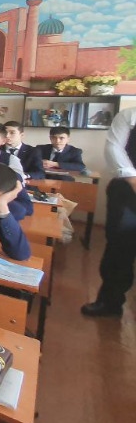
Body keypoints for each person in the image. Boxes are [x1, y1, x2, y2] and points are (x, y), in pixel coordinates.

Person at [82, 108, 136, 317]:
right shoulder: (130, 115)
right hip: (128, 189)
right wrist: (133, 180)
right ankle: (110, 301)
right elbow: (114, 147)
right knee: (120, 247)